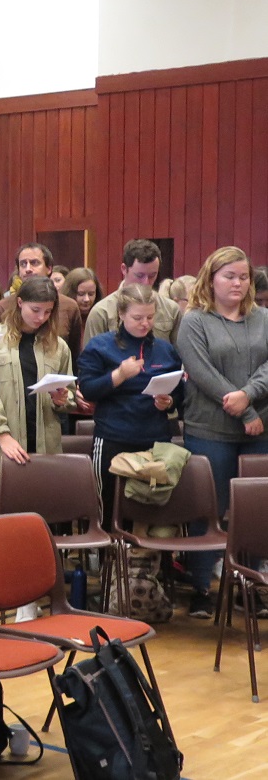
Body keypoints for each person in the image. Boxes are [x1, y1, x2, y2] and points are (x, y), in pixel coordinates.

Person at [176, 247, 268, 618]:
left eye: (243, 276)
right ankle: (201, 587)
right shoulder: (195, 321)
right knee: (208, 508)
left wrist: (248, 396)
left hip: (259, 428)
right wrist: (243, 407)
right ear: (211, 278)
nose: (237, 282)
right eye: (229, 276)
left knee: (255, 511)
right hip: (210, 429)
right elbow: (201, 372)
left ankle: (251, 587)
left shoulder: (263, 318)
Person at [76, 284, 184, 541]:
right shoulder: (100, 346)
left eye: (150, 317)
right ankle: (107, 569)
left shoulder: (165, 349)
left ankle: (145, 568)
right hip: (114, 437)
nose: (145, 323)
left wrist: (168, 401)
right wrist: (118, 375)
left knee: (150, 509)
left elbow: (180, 391)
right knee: (108, 507)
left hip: (155, 438)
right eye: (137, 317)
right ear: (122, 315)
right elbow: (88, 390)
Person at [0, 277, 75, 486]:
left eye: (48, 311)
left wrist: (62, 399)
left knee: (44, 509)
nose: (41, 317)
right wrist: (2, 435)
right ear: (20, 302)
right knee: (10, 513)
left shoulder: (58, 346)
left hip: (46, 444)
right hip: (7, 441)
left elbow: (69, 393)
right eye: (35, 310)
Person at [0, 244, 84, 356]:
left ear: (49, 268)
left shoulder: (69, 306)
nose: (28, 269)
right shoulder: (1, 307)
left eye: (34, 263)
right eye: (23, 264)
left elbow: (74, 354)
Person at [81, 239, 180, 347]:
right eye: (139, 275)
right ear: (124, 269)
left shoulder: (172, 310)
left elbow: (178, 358)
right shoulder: (102, 313)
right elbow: (90, 360)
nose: (146, 282)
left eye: (152, 275)